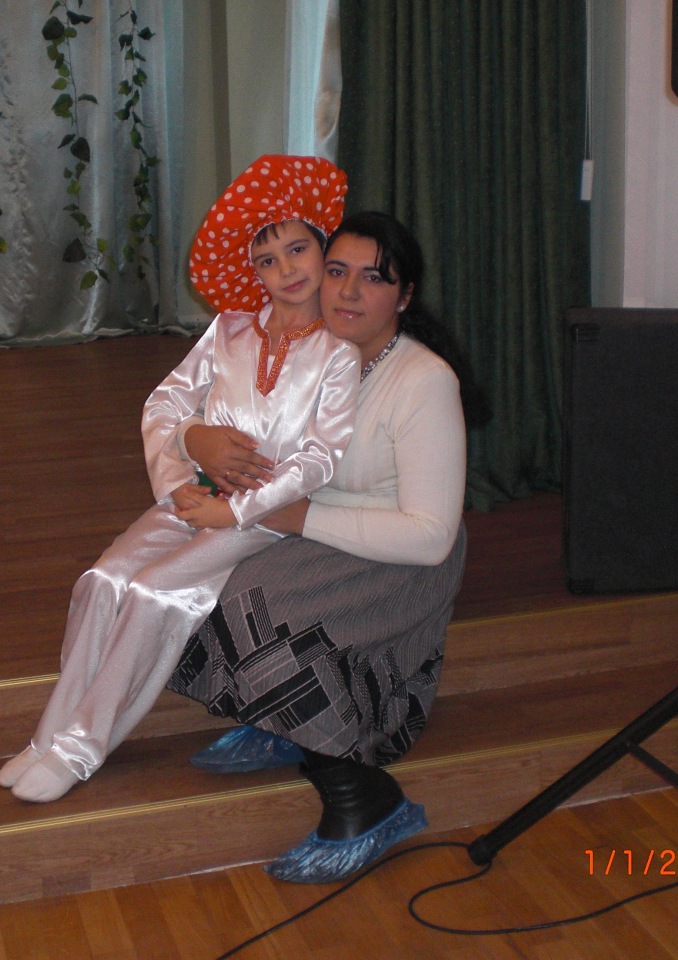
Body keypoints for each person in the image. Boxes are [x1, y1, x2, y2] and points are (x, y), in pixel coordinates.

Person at [0, 155, 359, 803]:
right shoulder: (230, 329)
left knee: (155, 590)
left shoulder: (338, 353)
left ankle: (80, 750)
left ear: (323, 247)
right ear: (252, 273)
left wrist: (237, 512)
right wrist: (185, 460)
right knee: (103, 579)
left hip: (265, 517)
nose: (286, 269)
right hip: (195, 494)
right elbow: (165, 403)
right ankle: (50, 734)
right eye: (267, 260)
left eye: (298, 249)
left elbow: (321, 458)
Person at [168, 211, 479, 883]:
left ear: (405, 295)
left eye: (374, 278)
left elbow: (430, 535)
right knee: (187, 578)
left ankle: (364, 800)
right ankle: (278, 720)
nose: (348, 291)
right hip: (311, 526)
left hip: (396, 555)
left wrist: (291, 517)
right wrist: (200, 442)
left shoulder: (423, 380)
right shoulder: (310, 350)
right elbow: (206, 407)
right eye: (337, 271)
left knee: (262, 616)